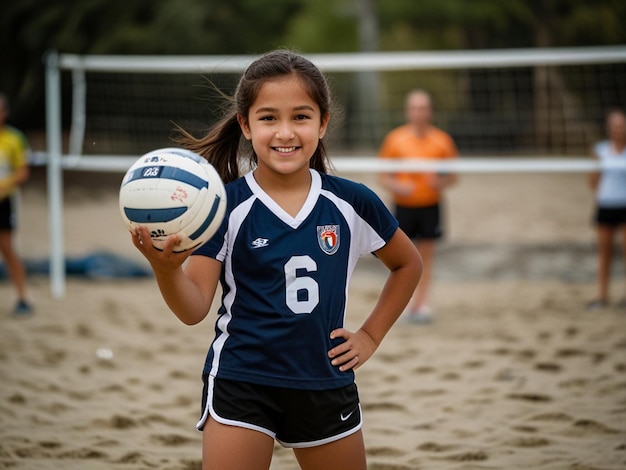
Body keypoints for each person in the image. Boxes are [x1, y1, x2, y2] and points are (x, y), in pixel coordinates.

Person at [130, 50, 422, 470]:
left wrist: (370, 336)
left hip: (323, 379)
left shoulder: (350, 201)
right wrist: (166, 270)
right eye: (268, 118)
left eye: (300, 117)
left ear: (323, 123)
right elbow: (193, 308)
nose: (285, 132)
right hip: (242, 379)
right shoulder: (222, 206)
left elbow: (408, 264)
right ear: (245, 125)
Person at [377, 89, 458, 323]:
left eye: (422, 108)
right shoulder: (395, 139)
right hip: (403, 206)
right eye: (414, 108)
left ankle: (421, 304)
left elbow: (453, 175)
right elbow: (383, 176)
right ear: (407, 111)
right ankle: (403, 304)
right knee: (400, 259)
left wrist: (439, 182)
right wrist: (398, 187)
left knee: (426, 257)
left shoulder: (441, 141)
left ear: (429, 111)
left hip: (430, 205)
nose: (418, 112)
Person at [587, 108, 626, 311]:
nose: (618, 129)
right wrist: (598, 168)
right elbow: (592, 182)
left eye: (621, 125)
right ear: (609, 128)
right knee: (604, 253)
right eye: (614, 126)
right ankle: (602, 295)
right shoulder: (601, 150)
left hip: (625, 205)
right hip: (606, 205)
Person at [0, 92, 32, 315]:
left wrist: (4, 186)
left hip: (3, 201)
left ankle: (22, 298)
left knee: (7, 248)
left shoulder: (14, 138)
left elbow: (23, 172)